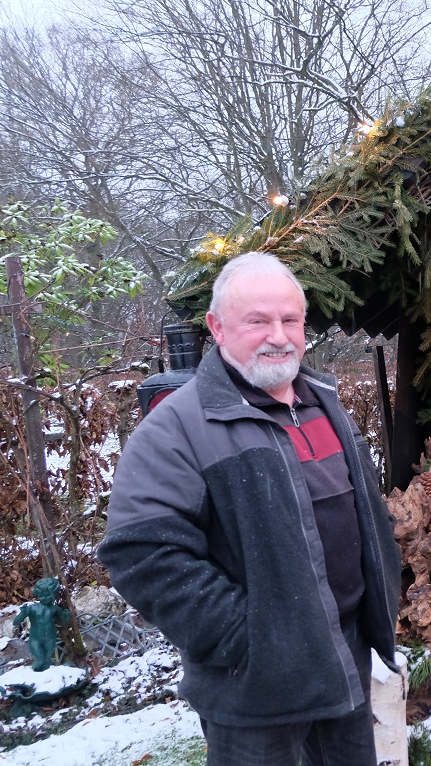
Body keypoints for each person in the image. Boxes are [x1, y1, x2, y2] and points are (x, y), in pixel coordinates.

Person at [99, 252, 403, 766]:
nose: (279, 335)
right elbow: (142, 554)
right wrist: (249, 637)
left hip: (342, 656)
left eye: (290, 320)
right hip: (254, 686)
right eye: (257, 321)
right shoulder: (178, 427)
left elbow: (360, 511)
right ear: (217, 327)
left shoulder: (323, 401)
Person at [13, 577, 71, 671]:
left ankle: (44, 681)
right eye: (41, 595)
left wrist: (66, 616)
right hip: (35, 640)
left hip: (50, 639)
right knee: (39, 660)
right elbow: (15, 622)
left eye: (48, 595)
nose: (44, 598)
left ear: (54, 594)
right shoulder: (33, 608)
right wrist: (23, 613)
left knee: (47, 662)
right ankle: (30, 674)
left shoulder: (55, 609)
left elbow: (62, 623)